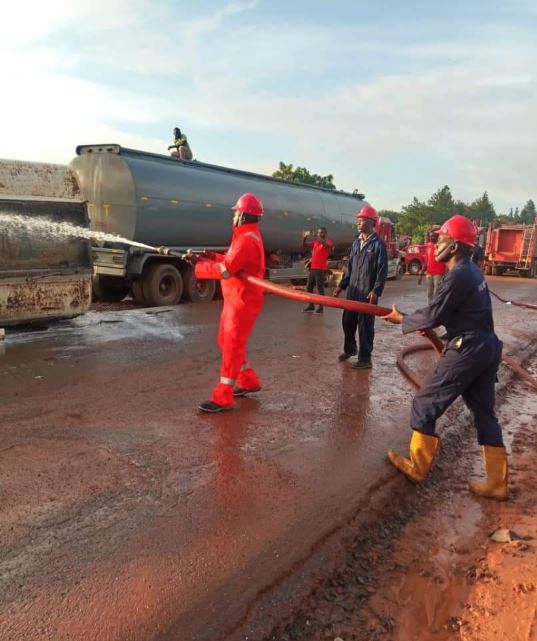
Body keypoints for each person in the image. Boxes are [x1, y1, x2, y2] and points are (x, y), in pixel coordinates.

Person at [382, 214, 507, 500]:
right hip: (486, 347)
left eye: (440, 238)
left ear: (454, 246)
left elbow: (434, 313)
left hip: (469, 349)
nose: (435, 243)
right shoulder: (472, 271)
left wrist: (402, 319)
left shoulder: (459, 274)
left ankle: (417, 465)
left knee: (426, 401)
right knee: (484, 412)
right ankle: (498, 483)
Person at [194, 193, 265, 413]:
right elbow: (231, 261)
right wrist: (209, 256)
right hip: (235, 298)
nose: (233, 215)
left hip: (243, 301)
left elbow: (226, 270)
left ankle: (223, 396)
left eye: (236, 212)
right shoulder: (245, 236)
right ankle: (248, 381)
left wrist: (198, 267)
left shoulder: (246, 240)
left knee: (232, 345)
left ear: (243, 215)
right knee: (226, 341)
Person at [333, 205, 388, 369]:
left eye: (362, 220)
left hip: (367, 293)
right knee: (347, 322)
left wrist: (376, 291)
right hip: (353, 291)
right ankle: (350, 349)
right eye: (358, 220)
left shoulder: (378, 245)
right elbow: (349, 268)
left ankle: (365, 359)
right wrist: (341, 286)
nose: (358, 223)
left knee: (365, 326)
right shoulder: (356, 242)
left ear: (371, 222)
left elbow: (382, 269)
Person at [302, 226, 334, 314]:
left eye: (322, 232)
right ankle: (311, 305)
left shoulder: (329, 241)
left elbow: (326, 245)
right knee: (309, 287)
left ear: (326, 234)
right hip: (313, 268)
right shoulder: (316, 242)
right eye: (319, 232)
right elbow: (304, 245)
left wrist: (316, 236)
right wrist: (304, 238)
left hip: (320, 269)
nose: (320, 234)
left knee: (320, 288)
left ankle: (321, 307)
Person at [418, 231, 446, 304]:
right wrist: (421, 275)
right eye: (430, 236)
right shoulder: (428, 247)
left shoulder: (442, 246)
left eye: (433, 236)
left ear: (437, 237)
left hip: (439, 273)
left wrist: (446, 274)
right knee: (430, 293)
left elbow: (446, 261)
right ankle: (430, 308)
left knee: (437, 292)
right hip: (429, 274)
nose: (431, 238)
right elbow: (426, 262)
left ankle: (436, 308)